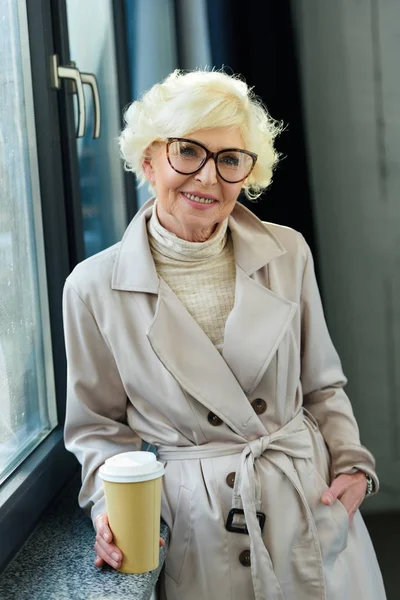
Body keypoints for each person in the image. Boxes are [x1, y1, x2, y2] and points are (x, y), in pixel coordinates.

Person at [63, 69, 386, 600]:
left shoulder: (289, 252)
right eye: (187, 152)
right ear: (148, 160)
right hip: (197, 526)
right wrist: (111, 509)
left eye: (230, 159)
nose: (208, 178)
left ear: (247, 174)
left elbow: (323, 386)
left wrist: (353, 467)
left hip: (307, 506)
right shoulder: (92, 286)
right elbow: (98, 430)